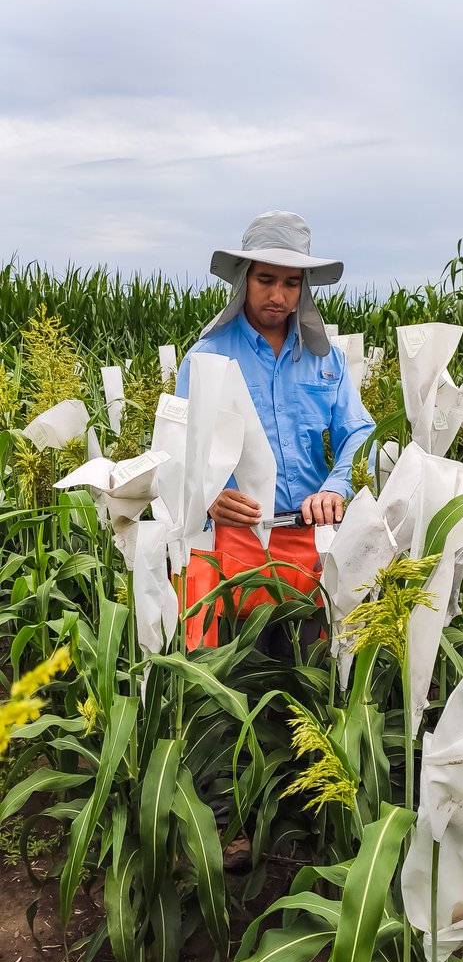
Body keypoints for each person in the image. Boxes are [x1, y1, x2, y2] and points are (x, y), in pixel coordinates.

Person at [175, 210, 375, 646]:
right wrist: (208, 497)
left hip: (309, 545)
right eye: (266, 279)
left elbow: (361, 434)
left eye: (291, 283)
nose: (278, 295)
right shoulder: (206, 359)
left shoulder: (327, 360)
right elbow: (177, 453)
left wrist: (335, 488)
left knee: (306, 683)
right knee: (231, 686)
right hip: (231, 547)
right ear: (244, 277)